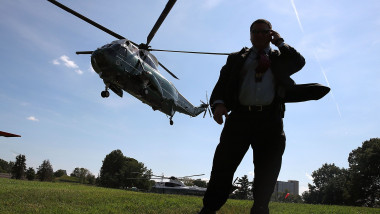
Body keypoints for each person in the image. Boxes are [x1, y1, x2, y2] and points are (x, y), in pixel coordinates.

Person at [199, 19, 330, 214]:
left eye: (264, 31)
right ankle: (209, 209)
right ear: (250, 35)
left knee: (267, 170)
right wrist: (218, 105)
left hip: (270, 120)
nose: (259, 35)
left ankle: (260, 209)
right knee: (223, 166)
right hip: (239, 119)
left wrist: (280, 42)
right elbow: (222, 83)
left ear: (271, 34)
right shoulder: (236, 58)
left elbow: (299, 62)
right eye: (255, 32)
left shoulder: (280, 58)